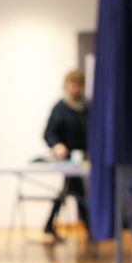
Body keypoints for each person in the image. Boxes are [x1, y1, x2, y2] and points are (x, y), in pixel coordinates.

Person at [42, 69, 91, 241]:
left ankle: (50, 225)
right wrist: (57, 145)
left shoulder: (87, 107)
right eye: (71, 84)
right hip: (66, 159)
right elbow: (48, 133)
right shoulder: (60, 108)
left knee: (72, 190)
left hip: (83, 159)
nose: (74, 88)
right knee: (76, 190)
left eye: (78, 84)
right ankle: (90, 228)